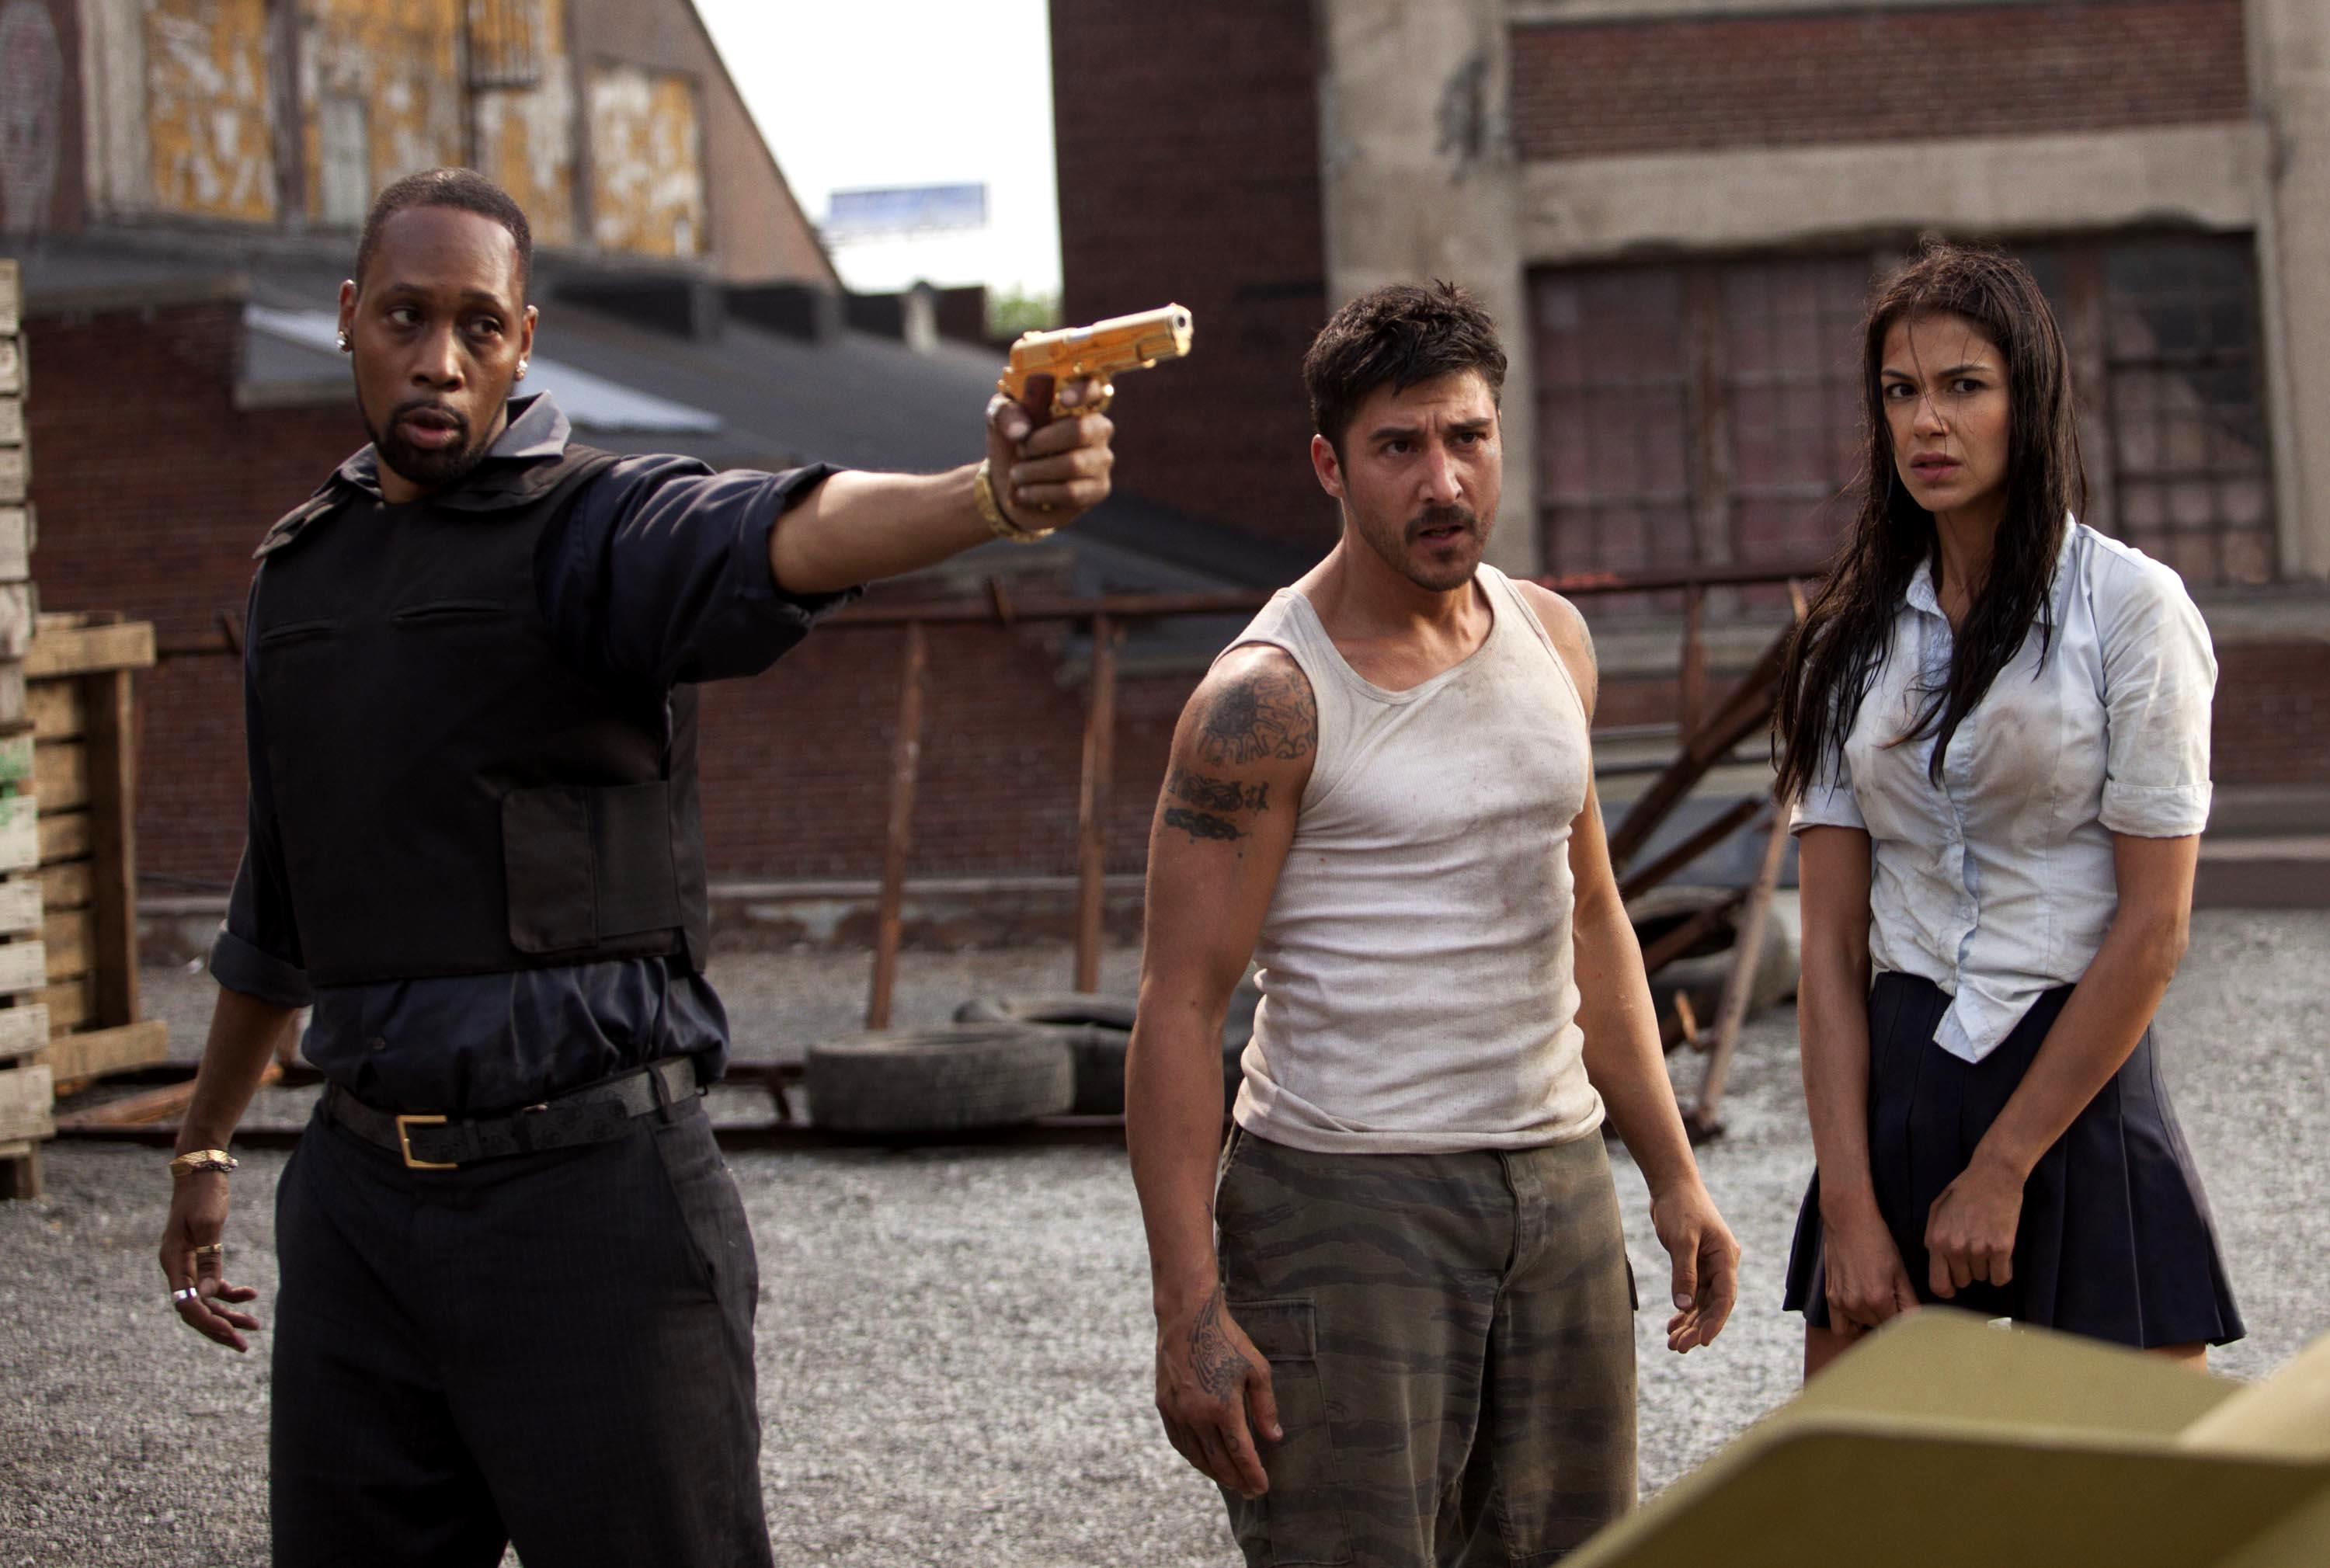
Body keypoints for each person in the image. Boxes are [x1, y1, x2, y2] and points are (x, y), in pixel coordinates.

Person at [152, 168, 1118, 1567]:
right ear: (350, 320)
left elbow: (776, 529)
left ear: (524, 342)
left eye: (479, 326)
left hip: (590, 1208)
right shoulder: (298, 580)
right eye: (409, 318)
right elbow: (281, 901)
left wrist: (990, 497)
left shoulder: (594, 530)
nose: (440, 360)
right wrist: (203, 1144)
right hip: (361, 1214)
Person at [1125, 281, 1741, 1567]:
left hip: (1558, 1187)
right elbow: (1179, 1008)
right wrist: (1187, 1304)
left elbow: (1591, 922)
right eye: (1401, 447)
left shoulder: (1552, 641)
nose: (1444, 480)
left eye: (1468, 438)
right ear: (1329, 467)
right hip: (1350, 1202)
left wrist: (1671, 1172)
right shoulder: (1267, 698)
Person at [1775, 238, 2244, 1381]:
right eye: (1901, 392)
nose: (1926, 422)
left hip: (2073, 1069)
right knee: (1864, 1492)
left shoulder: (2132, 610)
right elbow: (1832, 944)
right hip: (1900, 1066)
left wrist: (2003, 1165)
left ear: (2026, 403)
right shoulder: (1852, 640)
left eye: (1962, 387)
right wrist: (1849, 1198)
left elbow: (2155, 926)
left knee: (2147, 1512)